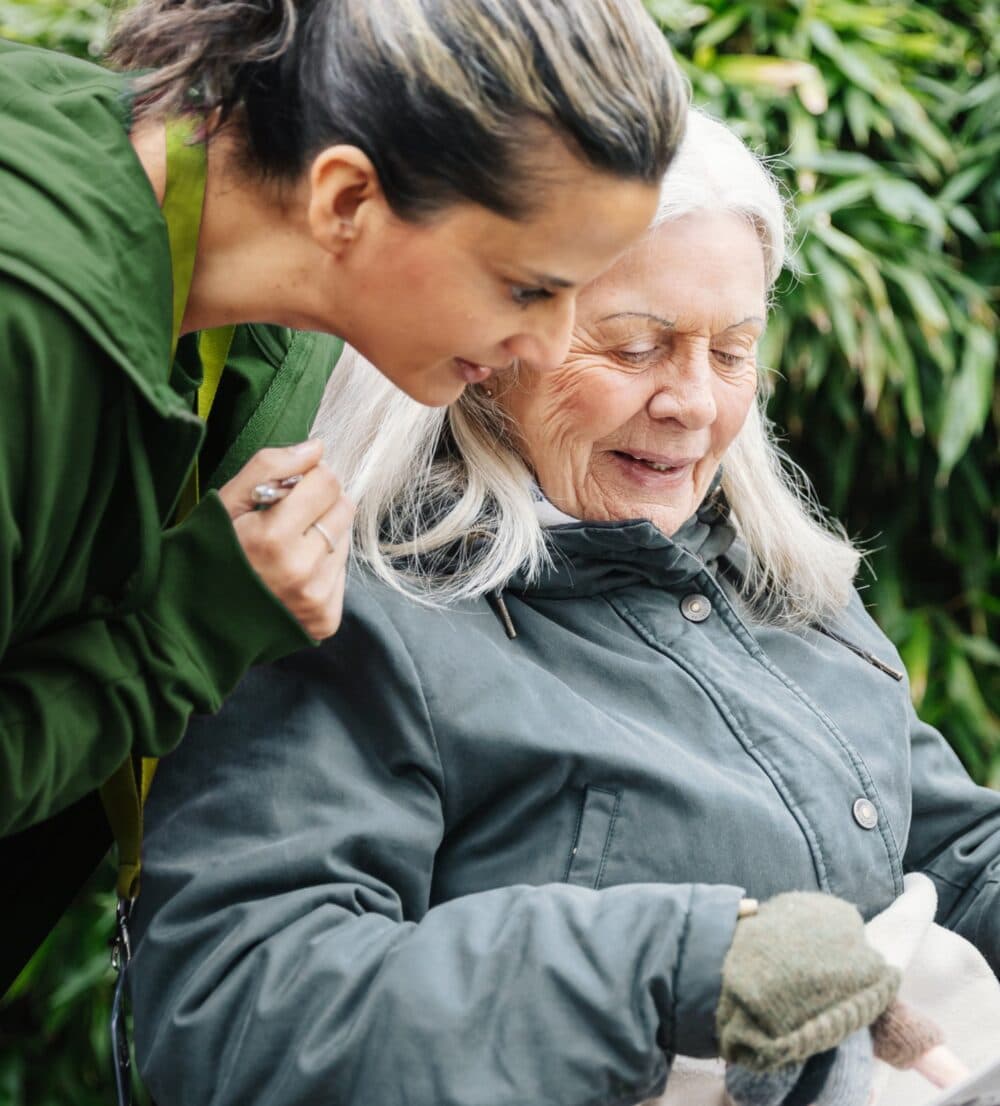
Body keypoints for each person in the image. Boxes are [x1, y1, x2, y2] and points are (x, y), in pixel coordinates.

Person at [127, 111, 1000, 1105]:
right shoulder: (355, 610)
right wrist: (680, 961)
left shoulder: (762, 572)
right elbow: (238, 1010)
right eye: (634, 346)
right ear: (490, 338)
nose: (694, 402)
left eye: (731, 350)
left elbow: (946, 847)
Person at [0, 0, 683, 989]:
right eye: (528, 287)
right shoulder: (27, 332)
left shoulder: (211, 255)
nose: (545, 345)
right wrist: (184, 629)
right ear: (346, 201)